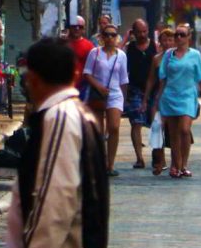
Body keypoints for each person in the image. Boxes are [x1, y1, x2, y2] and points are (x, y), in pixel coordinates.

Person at [0, 38, 108, 248]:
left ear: (31, 78)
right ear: (75, 74)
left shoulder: (59, 118)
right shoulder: (80, 116)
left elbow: (56, 197)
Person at [156, 24, 201, 178]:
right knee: (173, 134)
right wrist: (158, 99)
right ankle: (175, 165)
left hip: (187, 96)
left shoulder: (195, 55)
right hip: (170, 96)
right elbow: (163, 77)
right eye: (177, 34)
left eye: (182, 35)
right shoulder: (168, 55)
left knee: (185, 130)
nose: (179, 37)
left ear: (188, 37)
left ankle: (184, 164)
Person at [82, 26, 129, 176]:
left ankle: (110, 164)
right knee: (98, 131)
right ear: (101, 37)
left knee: (114, 127)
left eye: (112, 35)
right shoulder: (94, 53)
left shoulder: (121, 55)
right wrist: (99, 87)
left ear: (116, 37)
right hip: (97, 94)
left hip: (115, 94)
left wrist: (124, 99)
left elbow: (123, 79)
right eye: (106, 35)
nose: (109, 38)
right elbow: (87, 73)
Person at [124, 18, 156, 169]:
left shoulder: (155, 46)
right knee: (136, 122)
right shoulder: (129, 48)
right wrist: (125, 38)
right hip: (135, 89)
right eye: (139, 32)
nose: (142, 35)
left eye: (145, 31)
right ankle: (139, 158)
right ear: (133, 32)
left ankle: (157, 155)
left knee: (156, 123)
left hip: (154, 89)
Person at [143, 27, 174, 175]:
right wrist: (145, 100)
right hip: (158, 96)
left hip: (175, 96)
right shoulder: (156, 59)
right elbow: (150, 80)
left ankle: (177, 162)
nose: (167, 42)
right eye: (164, 39)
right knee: (157, 127)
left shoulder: (178, 57)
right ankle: (159, 161)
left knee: (173, 131)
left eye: (170, 39)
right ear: (160, 41)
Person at [65, 16, 95, 96]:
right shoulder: (62, 43)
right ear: (70, 27)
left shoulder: (89, 46)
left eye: (80, 27)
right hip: (64, 85)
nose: (77, 28)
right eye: (74, 26)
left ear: (83, 29)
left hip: (82, 86)